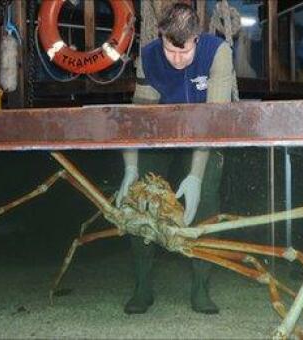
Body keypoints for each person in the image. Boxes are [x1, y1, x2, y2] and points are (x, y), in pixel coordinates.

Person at [115, 2, 235, 315]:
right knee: (139, 196)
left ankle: (201, 287)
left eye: (185, 52)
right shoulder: (149, 56)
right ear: (162, 36)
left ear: (197, 37)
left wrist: (194, 176)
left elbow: (213, 120)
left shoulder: (217, 52)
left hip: (207, 135)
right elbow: (138, 120)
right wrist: (130, 168)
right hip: (162, 135)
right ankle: (142, 285)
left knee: (206, 195)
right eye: (171, 50)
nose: (178, 59)